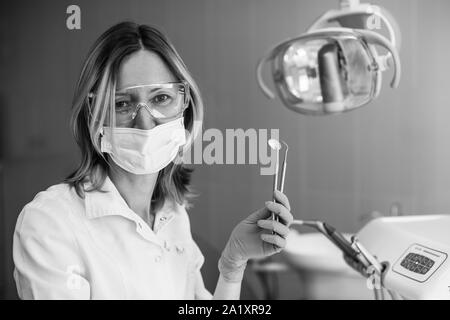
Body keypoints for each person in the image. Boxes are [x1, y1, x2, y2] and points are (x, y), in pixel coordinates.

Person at [12, 22, 293, 300]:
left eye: (161, 98)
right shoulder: (50, 223)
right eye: (122, 103)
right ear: (94, 118)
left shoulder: (172, 215)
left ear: (185, 109)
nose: (145, 123)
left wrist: (233, 263)